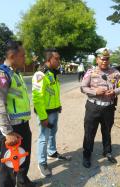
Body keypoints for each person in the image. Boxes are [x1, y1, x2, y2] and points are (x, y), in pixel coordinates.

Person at [0, 40, 37, 187]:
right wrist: (8, 132)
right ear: (12, 55)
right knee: (9, 165)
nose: (25, 59)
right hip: (10, 128)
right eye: (23, 55)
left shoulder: (15, 74)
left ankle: (23, 182)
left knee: (24, 157)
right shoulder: (1, 75)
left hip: (22, 125)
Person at [80, 47, 120, 168]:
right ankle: (87, 155)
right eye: (102, 59)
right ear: (97, 60)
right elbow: (83, 87)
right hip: (93, 107)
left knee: (107, 131)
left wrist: (114, 92)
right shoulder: (91, 72)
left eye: (107, 59)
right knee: (89, 132)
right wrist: (96, 92)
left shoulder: (115, 72)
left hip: (108, 108)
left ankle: (107, 151)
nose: (105, 61)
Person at [32, 49, 71, 177]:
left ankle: (52, 152)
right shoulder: (40, 74)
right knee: (43, 137)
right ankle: (42, 163)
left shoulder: (53, 73)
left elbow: (53, 91)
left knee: (53, 132)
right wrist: (43, 117)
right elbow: (37, 98)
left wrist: (58, 105)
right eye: (57, 59)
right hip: (45, 113)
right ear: (49, 59)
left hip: (54, 110)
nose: (59, 61)